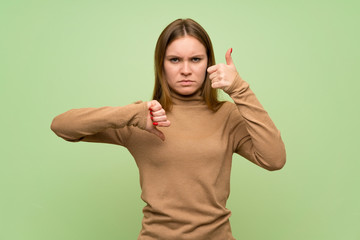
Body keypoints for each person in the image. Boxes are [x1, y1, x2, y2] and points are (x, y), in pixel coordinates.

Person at [51, 18, 286, 240]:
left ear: (209, 63)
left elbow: (274, 159)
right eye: (174, 60)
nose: (185, 70)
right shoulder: (144, 117)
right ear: (161, 64)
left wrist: (239, 88)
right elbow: (62, 126)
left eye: (195, 59)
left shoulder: (227, 116)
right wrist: (132, 114)